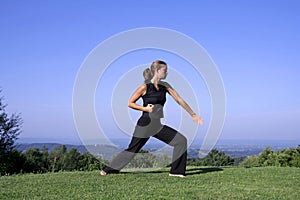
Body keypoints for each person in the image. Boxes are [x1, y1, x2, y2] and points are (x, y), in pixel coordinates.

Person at [100, 60, 203, 178]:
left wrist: (193, 114)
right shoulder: (145, 87)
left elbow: (179, 100)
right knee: (132, 150)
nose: (167, 73)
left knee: (181, 141)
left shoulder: (165, 86)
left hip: (157, 126)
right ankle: (109, 170)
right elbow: (130, 103)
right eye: (165, 70)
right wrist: (145, 109)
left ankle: (176, 172)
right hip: (144, 124)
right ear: (157, 71)